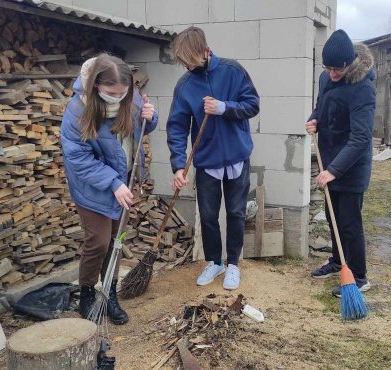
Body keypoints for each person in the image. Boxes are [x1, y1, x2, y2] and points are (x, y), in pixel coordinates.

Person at [61, 54, 158, 323]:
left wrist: (151, 117)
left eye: (122, 92)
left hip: (121, 180)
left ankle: (110, 294)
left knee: (116, 241)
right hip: (93, 185)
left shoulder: (132, 97)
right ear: (95, 87)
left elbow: (141, 128)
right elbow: (78, 158)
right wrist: (113, 183)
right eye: (110, 93)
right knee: (99, 242)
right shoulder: (77, 110)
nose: (117, 97)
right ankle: (88, 293)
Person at [167, 26, 259, 290]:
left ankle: (232, 265)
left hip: (237, 157)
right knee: (208, 215)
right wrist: (177, 165)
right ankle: (214, 262)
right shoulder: (185, 85)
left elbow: (253, 104)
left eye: (191, 61)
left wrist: (224, 108)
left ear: (205, 51)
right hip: (207, 161)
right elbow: (176, 127)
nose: (188, 67)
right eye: (184, 63)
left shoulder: (233, 71)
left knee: (235, 213)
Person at [306, 30, 375, 297]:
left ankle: (358, 276)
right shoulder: (325, 78)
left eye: (338, 69)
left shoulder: (363, 88)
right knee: (332, 214)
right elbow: (321, 105)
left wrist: (334, 171)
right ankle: (337, 262)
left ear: (350, 63)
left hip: (351, 167)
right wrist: (315, 119)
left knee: (349, 222)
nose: (332, 73)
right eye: (328, 68)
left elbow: (360, 138)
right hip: (329, 160)